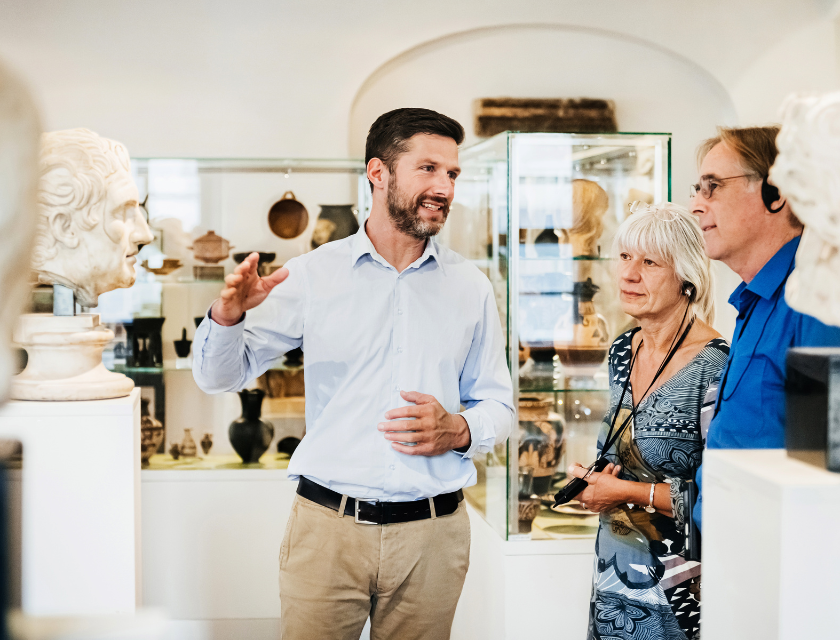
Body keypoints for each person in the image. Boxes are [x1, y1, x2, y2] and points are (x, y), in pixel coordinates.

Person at [192, 107, 514, 640]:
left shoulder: (471, 286)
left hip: (433, 539)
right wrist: (227, 317)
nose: (444, 188)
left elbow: (499, 406)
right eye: (428, 169)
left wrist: (459, 429)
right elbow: (218, 377)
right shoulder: (311, 275)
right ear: (378, 173)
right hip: (327, 532)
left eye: (452, 174)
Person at [567, 203, 728, 640]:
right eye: (624, 256)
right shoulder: (622, 349)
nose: (629, 274)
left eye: (650, 262)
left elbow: (722, 495)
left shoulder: (715, 366)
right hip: (613, 571)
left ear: (687, 278)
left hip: (678, 588)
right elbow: (625, 450)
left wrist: (623, 492)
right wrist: (594, 481)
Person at [690, 126, 840, 532]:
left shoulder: (816, 300)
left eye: (713, 187)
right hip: (734, 547)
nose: (696, 205)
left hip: (777, 550)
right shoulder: (753, 300)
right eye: (697, 190)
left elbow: (827, 471)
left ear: (777, 193)